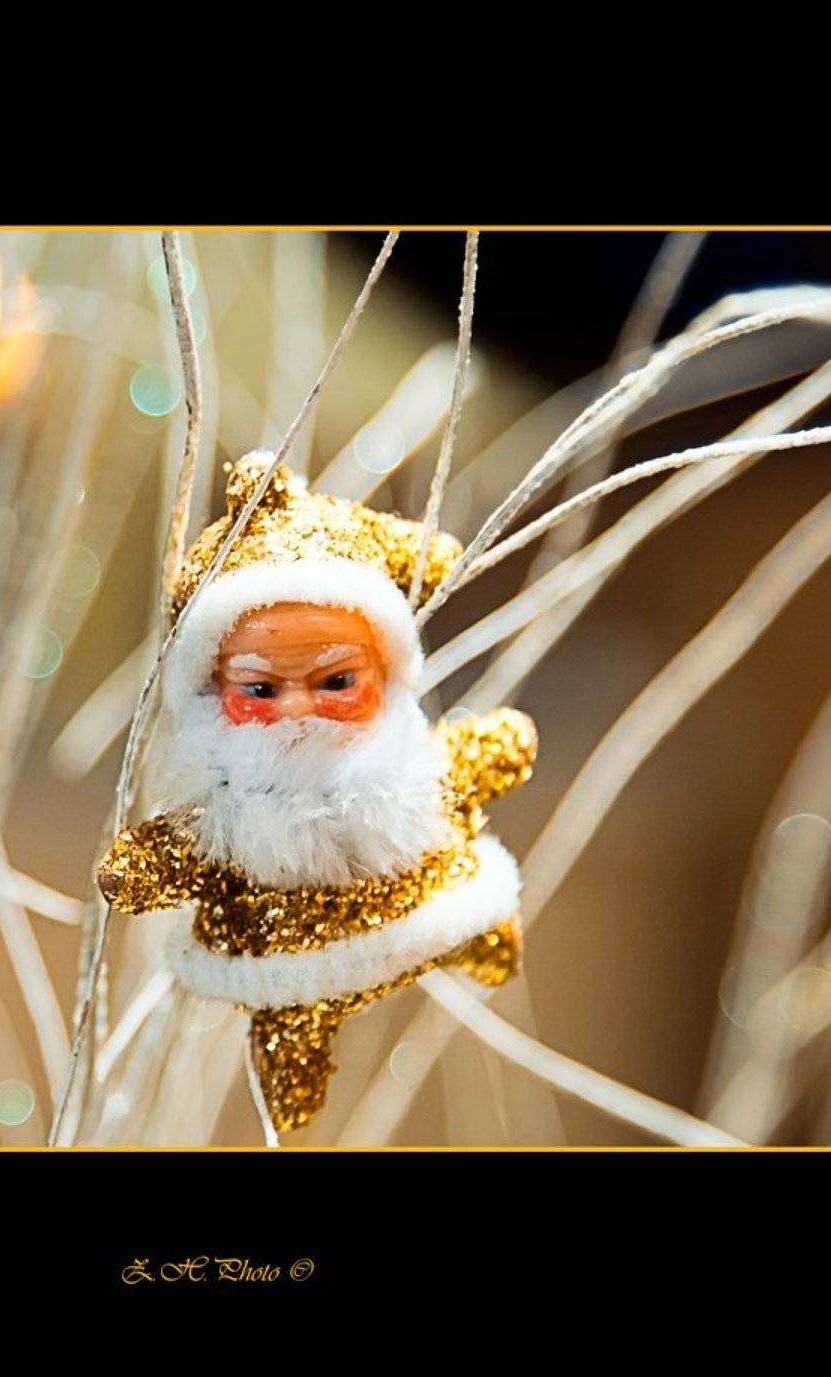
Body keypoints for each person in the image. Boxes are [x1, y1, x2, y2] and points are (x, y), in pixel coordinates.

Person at [97, 450, 537, 1133]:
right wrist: (140, 867)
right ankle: (296, 1058)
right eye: (261, 689)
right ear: (217, 695)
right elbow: (154, 863)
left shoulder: (414, 767)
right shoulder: (221, 818)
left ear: (383, 670)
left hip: (440, 908)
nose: (298, 710)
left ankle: (474, 938)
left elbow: (475, 758)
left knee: (479, 931)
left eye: (335, 681)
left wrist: (502, 744)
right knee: (291, 1052)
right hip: (288, 976)